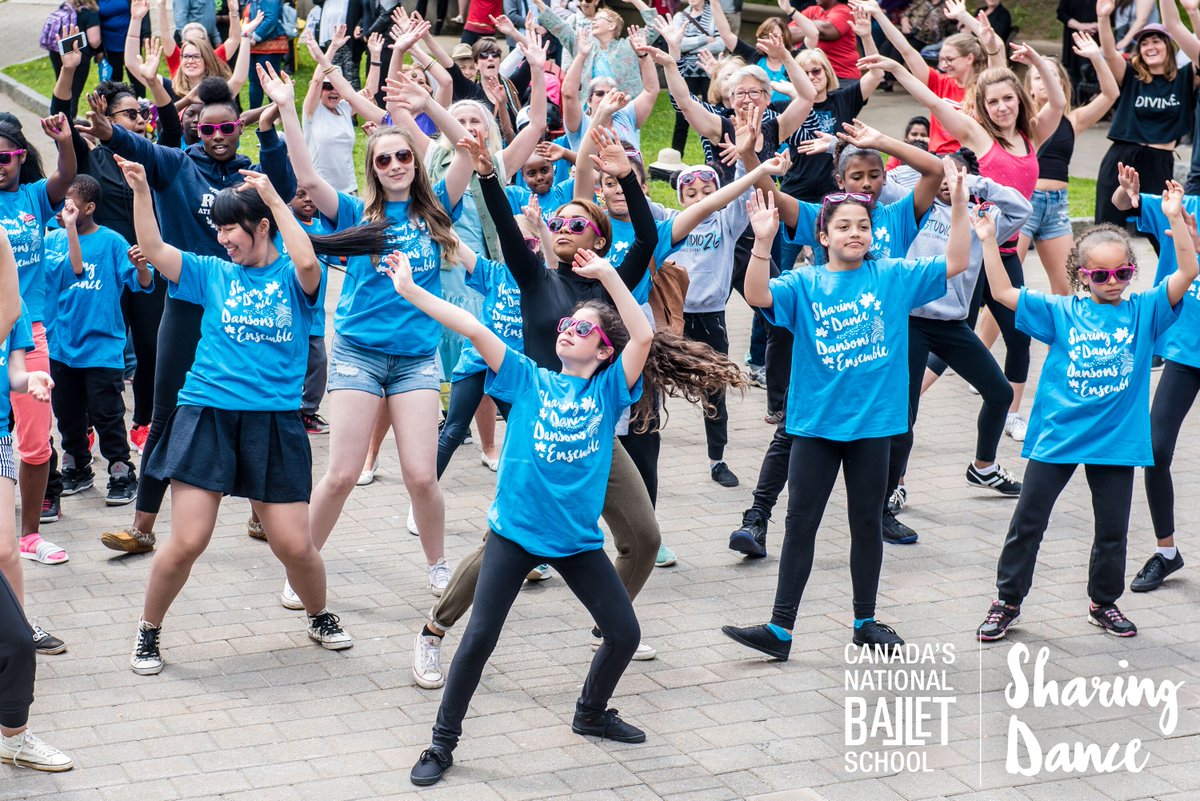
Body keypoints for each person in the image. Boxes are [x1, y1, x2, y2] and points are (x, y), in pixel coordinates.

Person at [402, 242, 652, 787]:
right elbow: (470, 327)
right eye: (567, 323)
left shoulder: (610, 390)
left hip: (576, 542)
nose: (567, 329)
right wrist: (410, 289)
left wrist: (608, 275)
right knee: (480, 637)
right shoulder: (526, 377)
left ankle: (590, 713)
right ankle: (442, 744)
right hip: (513, 536)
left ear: (605, 352)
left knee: (624, 633)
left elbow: (645, 336)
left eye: (583, 330)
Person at [117, 160, 369, 675]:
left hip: (273, 422)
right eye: (219, 228)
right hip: (207, 413)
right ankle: (149, 631)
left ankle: (318, 614)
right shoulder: (212, 273)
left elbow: (306, 261)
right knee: (188, 540)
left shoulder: (297, 277)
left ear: (262, 227)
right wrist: (141, 191)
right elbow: (159, 251)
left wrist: (275, 199)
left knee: (295, 545)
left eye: (231, 227)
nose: (223, 237)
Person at [722, 157, 971, 660]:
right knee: (801, 524)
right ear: (823, 236)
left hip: (874, 427)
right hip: (814, 426)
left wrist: (961, 205)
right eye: (843, 226)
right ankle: (780, 629)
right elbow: (755, 294)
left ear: (873, 233)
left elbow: (956, 262)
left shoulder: (893, 276)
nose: (854, 233)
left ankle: (864, 620)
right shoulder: (805, 283)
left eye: (862, 225)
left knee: (864, 524)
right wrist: (765, 242)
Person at [264, 61, 474, 601]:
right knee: (340, 474)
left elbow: (470, 149)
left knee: (422, 476)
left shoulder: (438, 212)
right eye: (385, 158)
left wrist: (427, 108)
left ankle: (437, 564)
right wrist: (290, 107)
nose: (397, 164)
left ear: (416, 161)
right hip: (359, 353)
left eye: (405, 155)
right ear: (373, 166)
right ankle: (301, 567)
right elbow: (308, 179)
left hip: (416, 359)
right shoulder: (355, 213)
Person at [974, 184, 1196, 642]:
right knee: (1027, 524)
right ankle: (1006, 601)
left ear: (1133, 273)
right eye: (1100, 275)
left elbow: (1188, 271)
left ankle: (1104, 602)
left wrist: (1175, 219)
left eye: (1122, 272)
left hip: (1115, 442)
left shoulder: (1147, 310)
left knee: (1112, 531)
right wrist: (986, 240)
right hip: (1058, 437)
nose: (1112, 281)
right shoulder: (1060, 311)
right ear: (1081, 275)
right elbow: (1001, 290)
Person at [86, 76, 296, 555]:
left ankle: (264, 515)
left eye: (226, 128)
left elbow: (284, 191)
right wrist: (107, 133)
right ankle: (142, 527)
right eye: (207, 130)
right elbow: (137, 146)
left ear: (237, 128)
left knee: (254, 410)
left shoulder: (252, 176)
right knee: (164, 416)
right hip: (185, 306)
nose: (217, 137)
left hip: (245, 310)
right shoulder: (178, 166)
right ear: (195, 130)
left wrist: (268, 136)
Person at [864, 42, 1065, 453]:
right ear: (983, 107)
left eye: (1008, 98)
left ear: (1020, 100)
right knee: (949, 329)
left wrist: (1038, 62)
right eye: (992, 101)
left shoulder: (1031, 136)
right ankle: (902, 400)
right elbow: (935, 102)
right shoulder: (978, 136)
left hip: (1003, 253)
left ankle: (1007, 416)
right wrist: (894, 69)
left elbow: (1058, 100)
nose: (1002, 107)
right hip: (970, 253)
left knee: (1007, 335)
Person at [50, 36, 181, 458]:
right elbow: (62, 120)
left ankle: (143, 423)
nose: (142, 118)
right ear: (108, 116)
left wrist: (153, 82)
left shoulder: (154, 157)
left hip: (145, 265)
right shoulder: (92, 160)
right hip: (100, 269)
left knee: (149, 347)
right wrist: (69, 71)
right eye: (132, 113)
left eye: (144, 112)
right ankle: (86, 425)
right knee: (95, 352)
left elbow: (173, 127)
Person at [1110, 164, 1200, 593]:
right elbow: (1125, 204)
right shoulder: (1186, 208)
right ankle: (1167, 552)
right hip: (1186, 354)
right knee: (1156, 449)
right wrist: (1128, 192)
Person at [44, 175, 153, 506]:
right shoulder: (52, 240)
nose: (65, 209)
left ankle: (121, 470)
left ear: (89, 207)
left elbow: (142, 284)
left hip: (102, 347)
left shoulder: (112, 242)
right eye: (62, 203)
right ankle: (76, 465)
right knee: (67, 413)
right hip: (61, 346)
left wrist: (143, 267)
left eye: (71, 203)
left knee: (106, 412)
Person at [0, 114, 76, 567]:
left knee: (36, 441)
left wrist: (65, 142)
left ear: (20, 157)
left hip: (30, 334)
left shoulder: (32, 198)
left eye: (5, 157)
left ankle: (28, 535)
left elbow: (66, 175)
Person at [0, 229, 64, 657]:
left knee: (5, 550)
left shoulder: (15, 311)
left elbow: (14, 372)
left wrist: (31, 380)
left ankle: (19, 633)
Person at [1020, 35, 1119, 296]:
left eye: (1051, 75)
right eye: (1039, 76)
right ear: (1029, 87)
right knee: (1006, 285)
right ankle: (981, 340)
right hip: (1026, 202)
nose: (1045, 81)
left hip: (1057, 206)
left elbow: (1111, 93)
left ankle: (1065, 338)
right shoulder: (1022, 119)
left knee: (1066, 287)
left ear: (1061, 83)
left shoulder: (1073, 120)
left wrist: (1097, 57)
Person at [1093, 4, 1196, 235]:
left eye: (1156, 40)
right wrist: (1103, 17)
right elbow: (1109, 53)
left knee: (1164, 234)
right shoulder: (1131, 76)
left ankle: (1175, 273)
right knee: (1106, 233)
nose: (1150, 46)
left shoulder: (1185, 78)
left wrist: (1192, 13)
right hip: (1122, 160)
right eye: (1144, 43)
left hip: (1159, 163)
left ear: (1169, 46)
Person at [859, 0, 1006, 154]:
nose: (943, 65)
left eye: (949, 59)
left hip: (973, 160)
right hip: (939, 159)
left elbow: (997, 47)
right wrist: (879, 14)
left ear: (969, 58)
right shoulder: (940, 82)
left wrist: (963, 16)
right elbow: (906, 50)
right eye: (942, 60)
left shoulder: (988, 87)